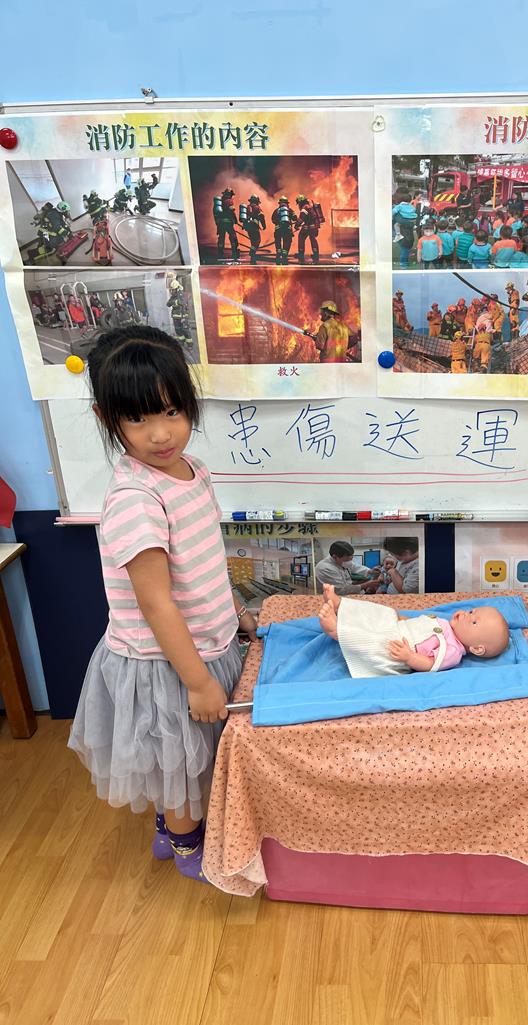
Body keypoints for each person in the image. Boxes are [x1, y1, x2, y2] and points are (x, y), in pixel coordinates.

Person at [67, 326, 258, 884]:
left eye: (172, 411)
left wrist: (238, 611)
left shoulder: (193, 472)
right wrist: (197, 682)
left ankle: (170, 827)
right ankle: (185, 845)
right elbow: (156, 604)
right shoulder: (136, 499)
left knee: (186, 759)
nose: (160, 433)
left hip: (206, 644)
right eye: (137, 419)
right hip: (165, 663)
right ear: (107, 419)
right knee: (180, 764)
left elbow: (206, 560)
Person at [318, 585, 509, 676]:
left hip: (400, 649)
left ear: (477, 648)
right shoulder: (444, 623)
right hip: (398, 628)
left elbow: (431, 664)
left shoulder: (453, 651)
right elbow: (421, 625)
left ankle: (337, 631)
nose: (467, 615)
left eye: (473, 621)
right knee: (384, 612)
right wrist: (403, 620)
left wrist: (409, 657)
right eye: (471, 611)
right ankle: (341, 605)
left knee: (376, 644)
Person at [314, 540, 380, 595]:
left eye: (350, 559)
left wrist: (370, 571)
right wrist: (366, 585)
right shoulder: (324, 568)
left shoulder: (342, 560)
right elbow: (340, 590)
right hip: (337, 596)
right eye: (346, 560)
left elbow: (354, 566)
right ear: (335, 557)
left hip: (352, 592)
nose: (349, 562)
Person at [214, 187, 240, 263]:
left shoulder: (220, 201)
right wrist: (235, 220)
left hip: (221, 223)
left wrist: (217, 223)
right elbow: (232, 211)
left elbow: (216, 213)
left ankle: (220, 254)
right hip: (228, 222)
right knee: (233, 237)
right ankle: (235, 253)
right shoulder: (229, 201)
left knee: (221, 238)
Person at [392, 192, 417, 268]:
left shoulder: (399, 206)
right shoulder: (411, 206)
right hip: (411, 221)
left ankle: (403, 264)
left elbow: (393, 212)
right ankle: (404, 263)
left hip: (405, 234)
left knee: (404, 248)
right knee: (405, 248)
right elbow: (414, 210)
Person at [295, 194, 322, 264]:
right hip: (314, 226)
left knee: (301, 237)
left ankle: (301, 255)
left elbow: (301, 219)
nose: (298, 205)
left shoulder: (304, 208)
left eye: (299, 203)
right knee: (313, 240)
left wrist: (296, 225)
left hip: (308, 227)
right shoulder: (310, 206)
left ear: (301, 202)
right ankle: (316, 255)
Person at [271, 195, 296, 265]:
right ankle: (284, 256)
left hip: (278, 230)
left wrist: (278, 223)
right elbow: (295, 218)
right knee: (287, 241)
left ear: (279, 203)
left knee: (278, 242)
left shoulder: (276, 210)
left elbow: (272, 220)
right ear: (287, 203)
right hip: (287, 229)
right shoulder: (290, 210)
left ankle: (278, 256)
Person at [241, 195, 266, 264]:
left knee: (253, 241)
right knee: (257, 240)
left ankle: (253, 257)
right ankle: (252, 252)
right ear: (256, 201)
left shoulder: (247, 207)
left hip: (248, 227)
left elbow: (244, 217)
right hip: (254, 226)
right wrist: (264, 225)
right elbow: (261, 216)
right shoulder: (257, 207)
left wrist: (244, 226)